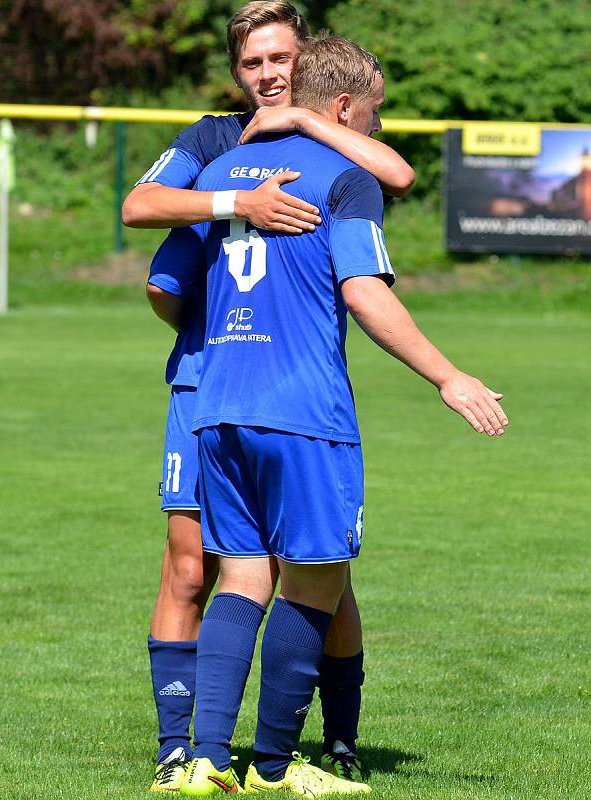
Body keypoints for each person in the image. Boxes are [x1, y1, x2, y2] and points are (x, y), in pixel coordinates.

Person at [175, 34, 508, 798]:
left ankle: (205, 762)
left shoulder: (223, 171)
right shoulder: (343, 174)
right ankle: (271, 766)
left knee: (243, 577)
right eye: (377, 114)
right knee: (316, 582)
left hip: (219, 404)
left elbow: (173, 285)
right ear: (345, 107)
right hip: (303, 411)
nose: (379, 131)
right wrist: (447, 375)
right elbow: (363, 292)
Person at [122, 2, 415, 793]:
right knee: (198, 567)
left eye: (281, 59)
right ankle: (187, 750)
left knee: (313, 571)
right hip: (215, 382)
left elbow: (393, 170)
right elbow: (142, 217)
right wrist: (235, 211)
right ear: (235, 72)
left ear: (304, 61)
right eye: (252, 64)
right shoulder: (214, 141)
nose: (268, 75)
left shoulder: (323, 140)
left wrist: (314, 126)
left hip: (253, 390)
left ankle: (330, 746)